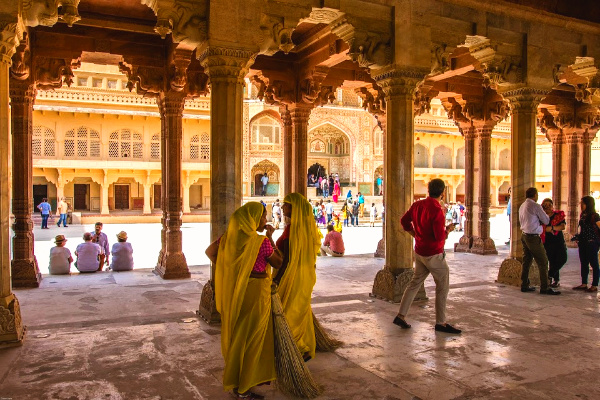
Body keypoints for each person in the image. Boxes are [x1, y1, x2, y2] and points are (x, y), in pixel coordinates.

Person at [205, 202, 283, 398]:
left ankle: (235, 380)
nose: (265, 221)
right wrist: (270, 238)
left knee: (239, 336)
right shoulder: (260, 242)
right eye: (263, 217)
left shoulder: (230, 238)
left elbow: (210, 252)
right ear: (253, 220)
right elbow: (278, 262)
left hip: (237, 290)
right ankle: (244, 388)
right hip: (256, 292)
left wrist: (231, 267)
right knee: (253, 338)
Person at [393, 179, 462, 334]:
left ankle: (401, 315)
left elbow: (404, 221)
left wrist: (415, 234)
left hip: (420, 251)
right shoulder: (437, 209)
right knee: (442, 287)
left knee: (414, 284)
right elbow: (439, 237)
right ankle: (441, 322)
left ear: (428, 190)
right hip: (434, 254)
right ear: (443, 192)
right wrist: (448, 230)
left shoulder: (418, 204)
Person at [274, 193, 321, 361]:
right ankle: (302, 345)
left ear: (294, 208)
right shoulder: (305, 228)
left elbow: (286, 259)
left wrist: (277, 279)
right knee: (299, 310)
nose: (282, 207)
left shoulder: (293, 231)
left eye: (286, 205)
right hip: (304, 275)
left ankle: (296, 348)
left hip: (292, 275)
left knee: (289, 312)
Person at [518, 187, 560, 295]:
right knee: (543, 261)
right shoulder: (535, 206)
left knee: (526, 261)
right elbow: (546, 220)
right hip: (533, 237)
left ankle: (524, 284)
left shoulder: (522, 205)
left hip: (524, 235)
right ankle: (545, 287)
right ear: (535, 195)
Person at [572, 196, 600, 293]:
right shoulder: (583, 215)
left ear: (588, 204)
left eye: (582, 203)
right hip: (583, 242)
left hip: (591, 242)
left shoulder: (594, 216)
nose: (581, 205)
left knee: (594, 264)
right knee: (584, 263)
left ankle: (594, 285)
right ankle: (584, 283)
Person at [540, 198, 567, 288]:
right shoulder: (541, 217)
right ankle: (555, 280)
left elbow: (562, 226)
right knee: (552, 261)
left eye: (549, 205)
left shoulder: (558, 215)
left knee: (562, 258)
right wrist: (552, 228)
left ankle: (549, 274)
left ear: (552, 206)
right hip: (547, 242)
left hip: (558, 241)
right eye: (545, 205)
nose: (547, 207)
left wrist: (551, 228)